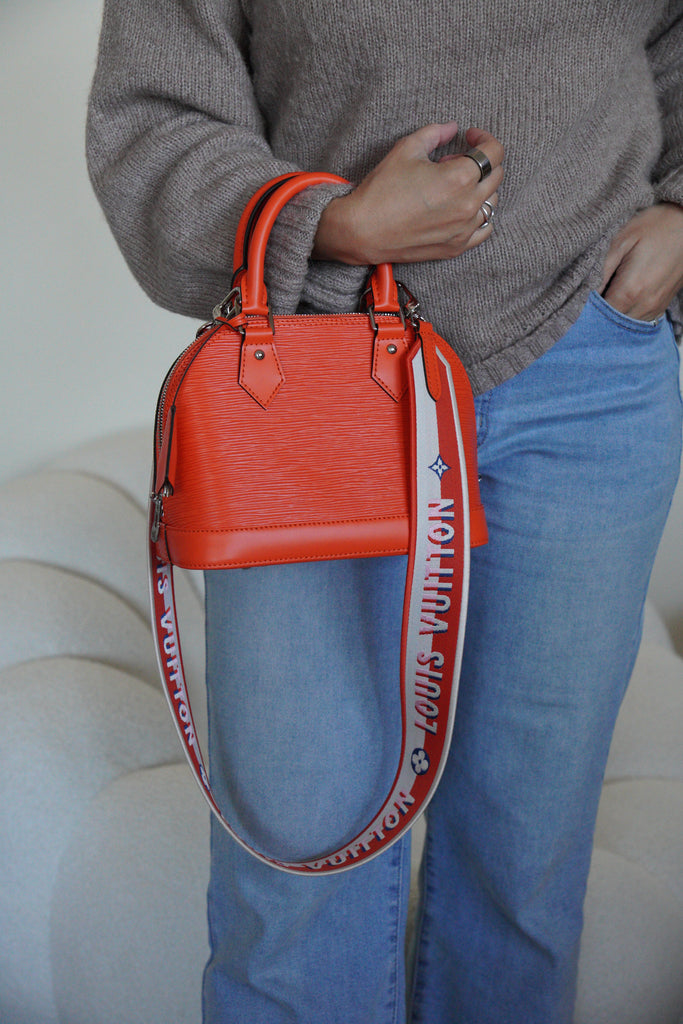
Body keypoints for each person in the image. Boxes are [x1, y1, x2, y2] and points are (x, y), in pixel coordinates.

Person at [86, 2, 683, 1021]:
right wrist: (329, 226)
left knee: (526, 869)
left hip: (589, 373)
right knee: (292, 877)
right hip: (314, 369)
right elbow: (149, 115)